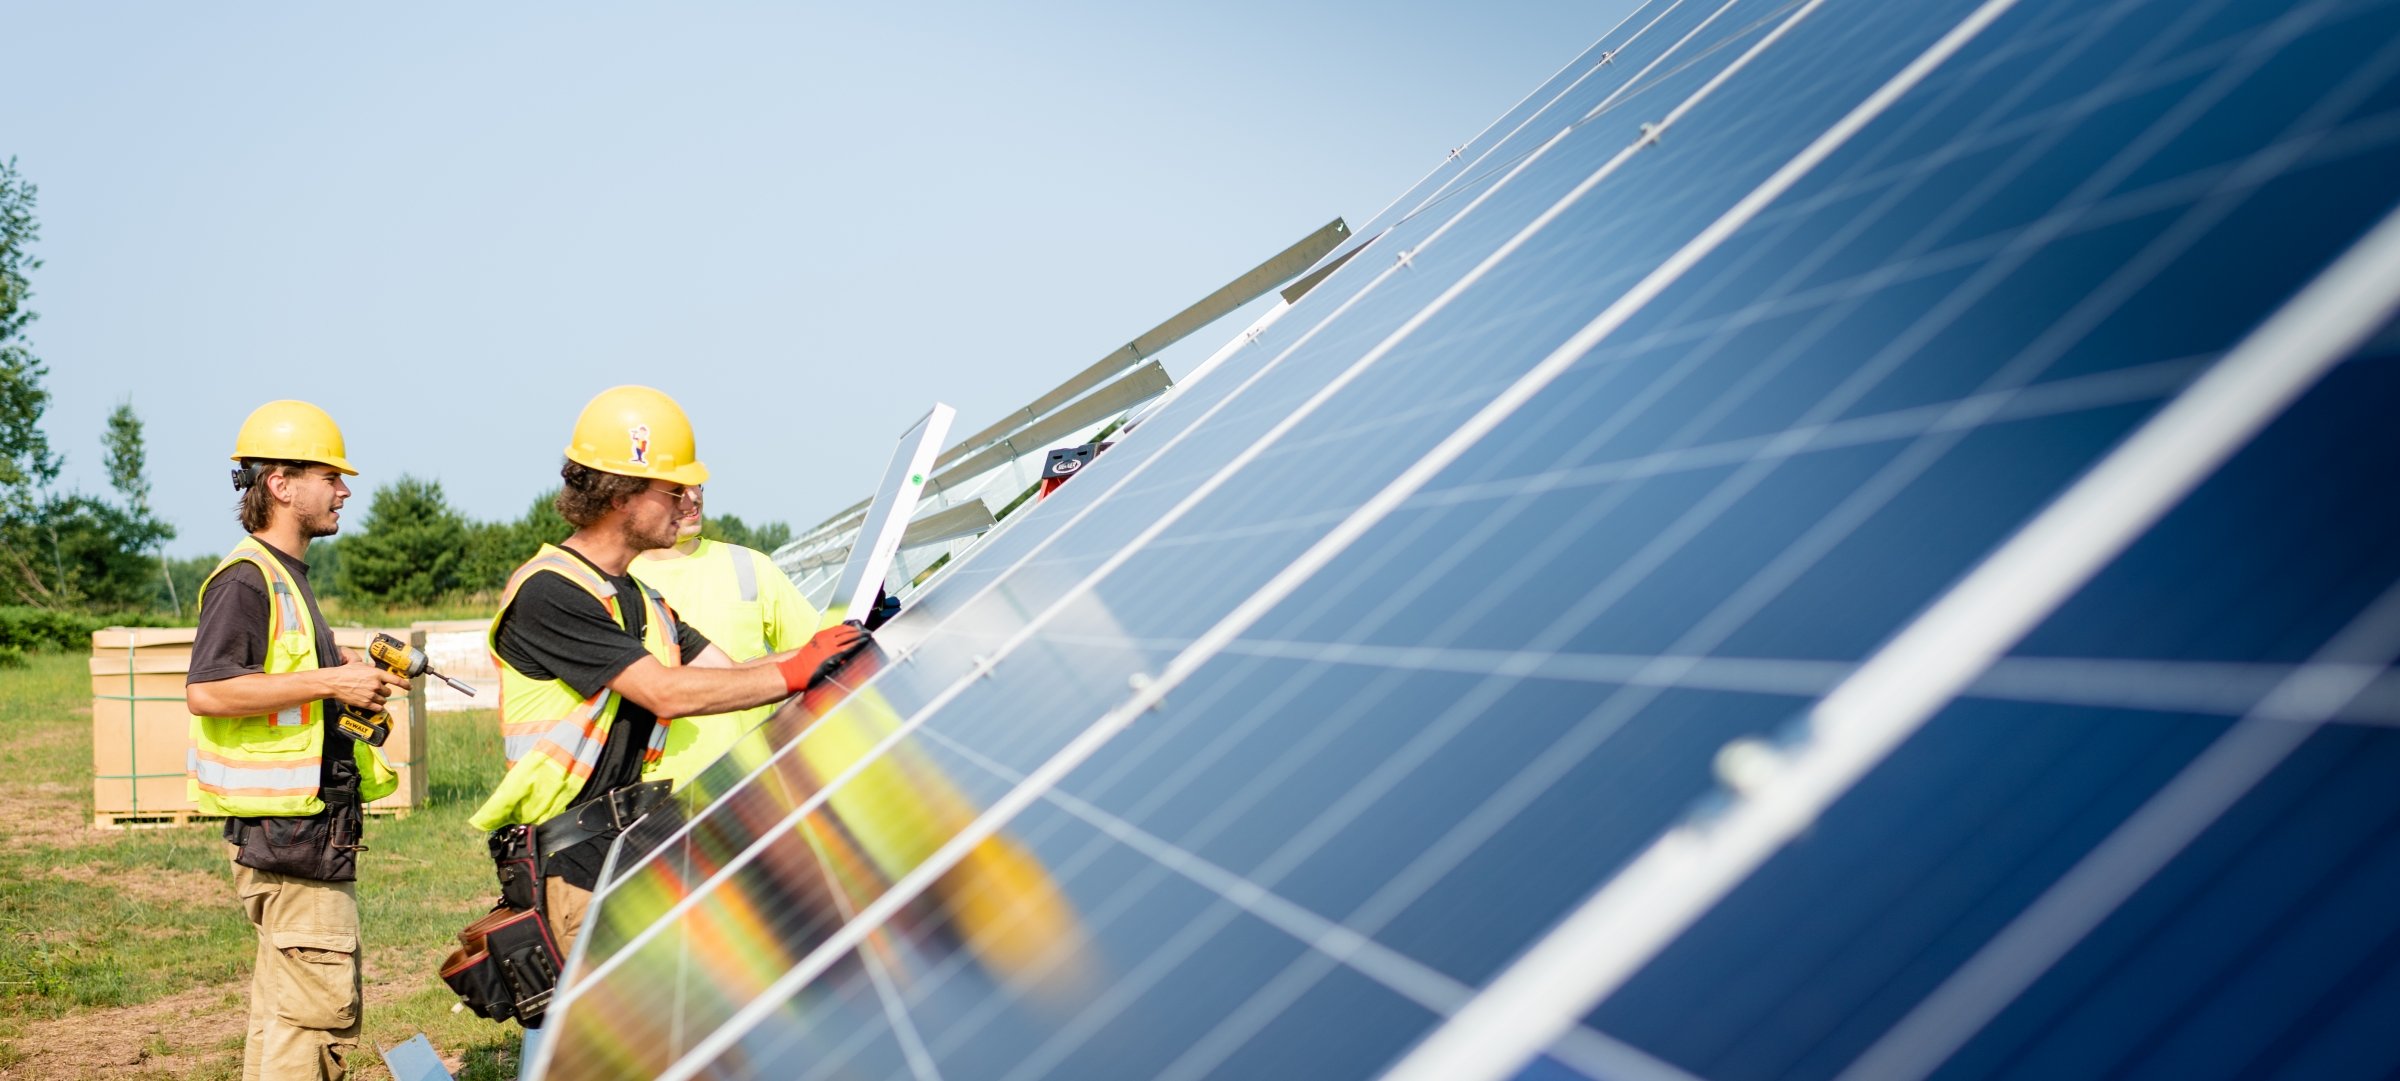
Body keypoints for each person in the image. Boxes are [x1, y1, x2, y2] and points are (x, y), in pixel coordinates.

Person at [465, 385, 869, 966]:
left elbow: (730, 673)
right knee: (613, 1044)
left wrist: (841, 644)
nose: (687, 501)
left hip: (629, 842)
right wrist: (800, 670)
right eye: (672, 488)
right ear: (620, 495)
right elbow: (664, 691)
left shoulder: (639, 596)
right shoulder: (548, 591)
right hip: (573, 860)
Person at [185, 400, 410, 1081]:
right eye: (330, 476)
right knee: (313, 1015)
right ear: (280, 483)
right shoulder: (247, 578)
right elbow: (209, 688)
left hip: (300, 831)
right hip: (289, 835)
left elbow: (277, 679)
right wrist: (329, 683)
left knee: (285, 1013)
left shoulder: (285, 576)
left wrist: (339, 673)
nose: (344, 490)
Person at [629, 483, 824, 788]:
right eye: (678, 489)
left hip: (757, 780)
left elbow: (818, 652)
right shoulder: (623, 583)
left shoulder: (749, 565)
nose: (693, 498)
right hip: (661, 791)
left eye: (698, 487)